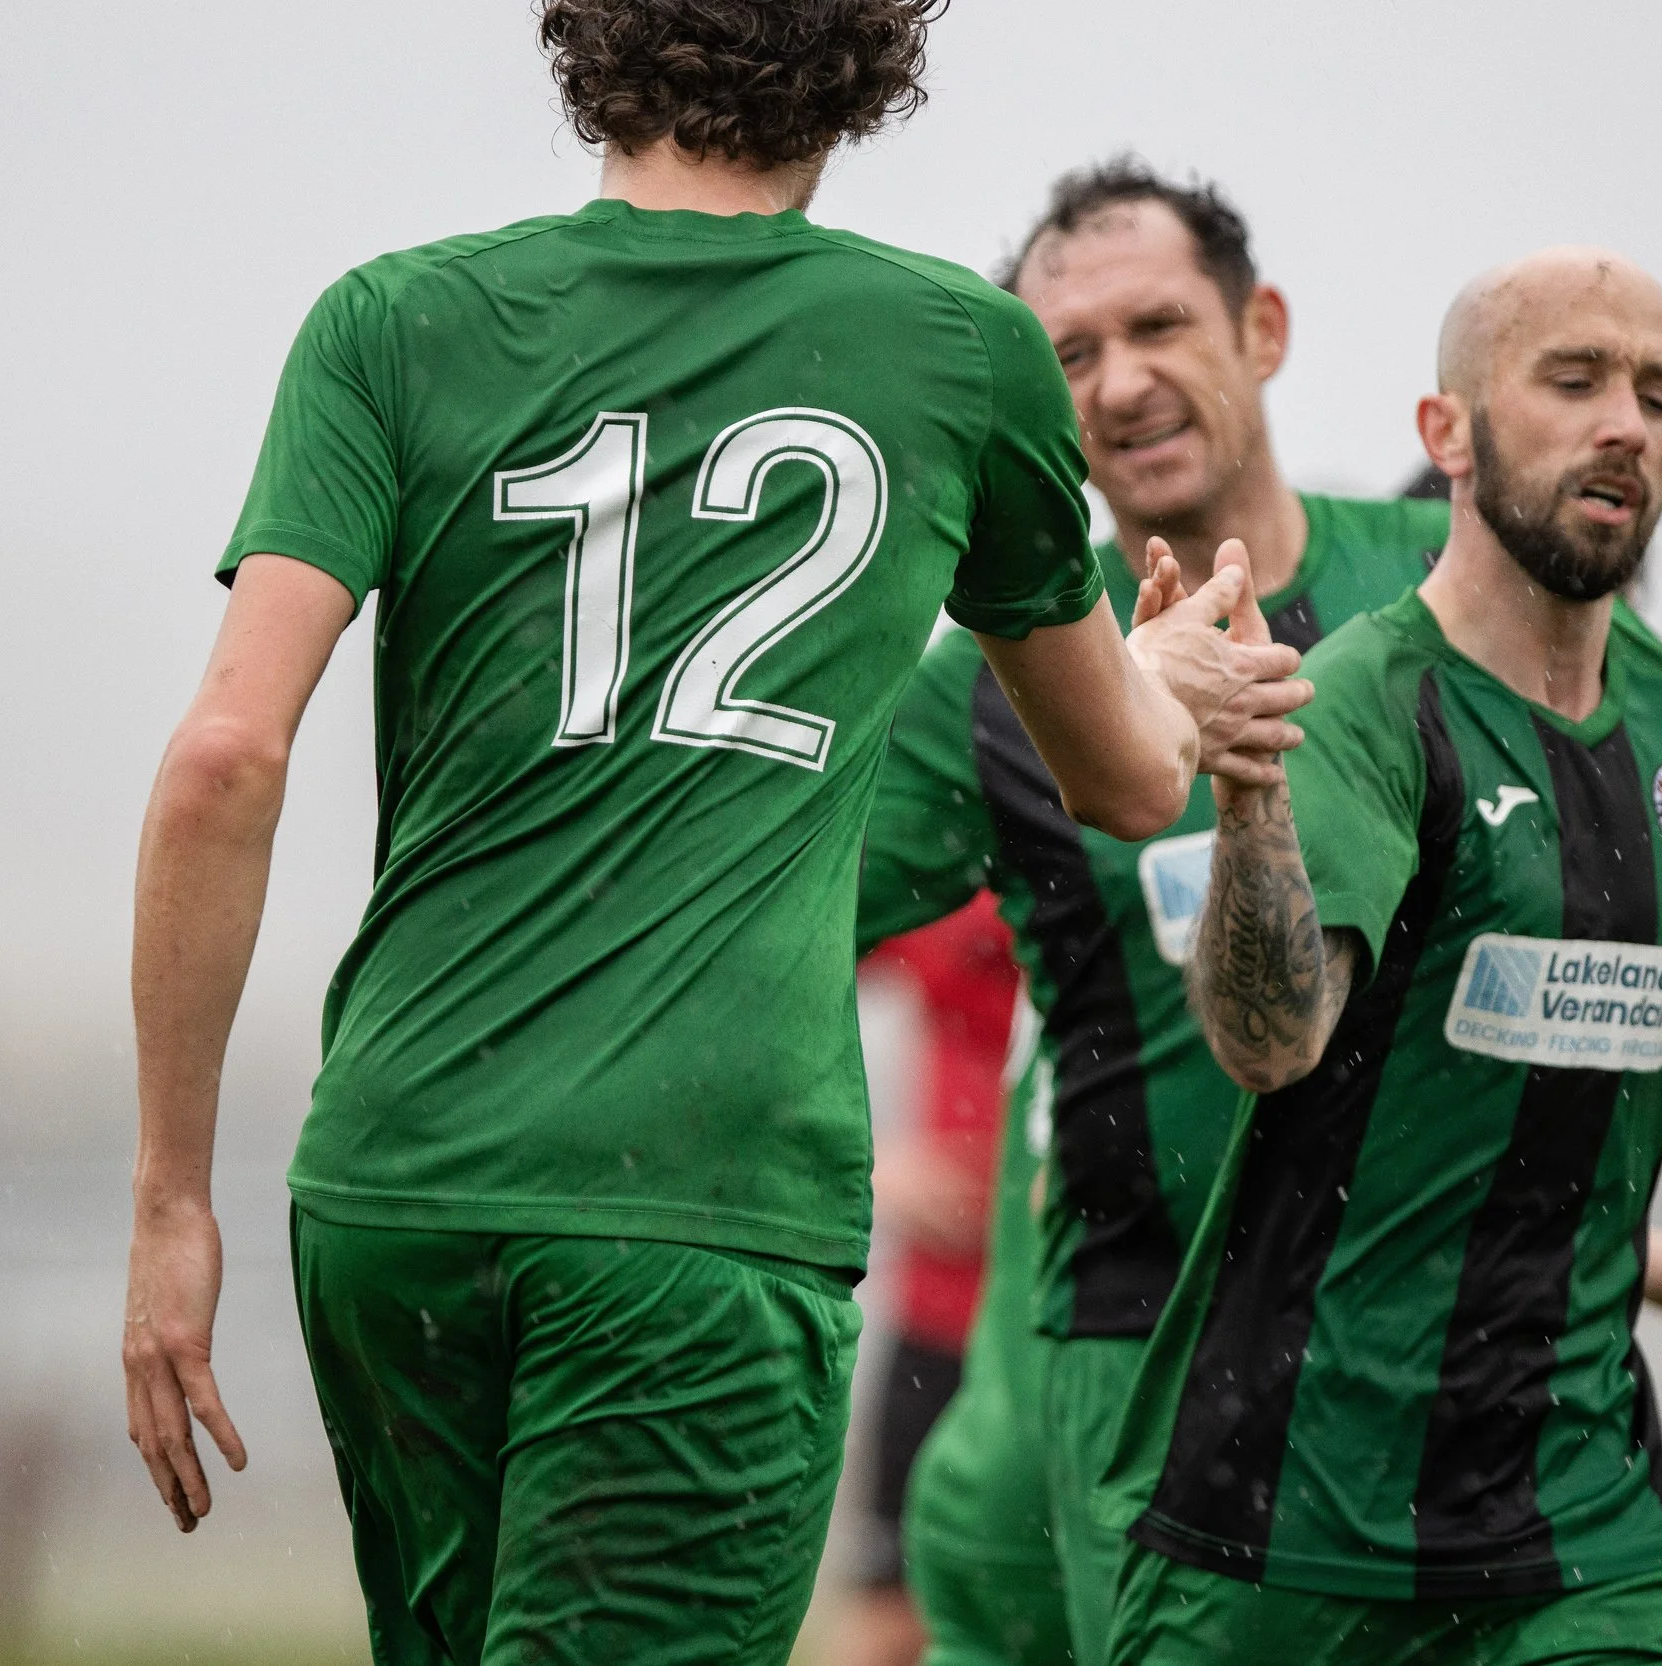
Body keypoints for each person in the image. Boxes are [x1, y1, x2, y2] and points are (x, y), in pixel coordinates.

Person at [114, 6, 1314, 1659]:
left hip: (393, 1182)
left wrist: (171, 1197)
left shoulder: (390, 320)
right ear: (869, 59)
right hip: (700, 1199)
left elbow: (223, 758)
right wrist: (1166, 672)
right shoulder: (959, 347)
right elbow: (1125, 777)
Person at [880, 159, 1662, 1666]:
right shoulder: (1006, 680)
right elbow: (777, 884)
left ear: (1261, 331)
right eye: (1072, 353)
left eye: (1158, 326)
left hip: (1468, 1369)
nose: (1122, 380)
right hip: (1151, 1366)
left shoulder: (1453, 582)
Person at [844, 893, 1021, 1666]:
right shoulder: (960, 880)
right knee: (894, 1617)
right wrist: (864, 1165)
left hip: (1084, 1327)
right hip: (943, 1320)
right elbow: (757, 979)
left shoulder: (1163, 868)